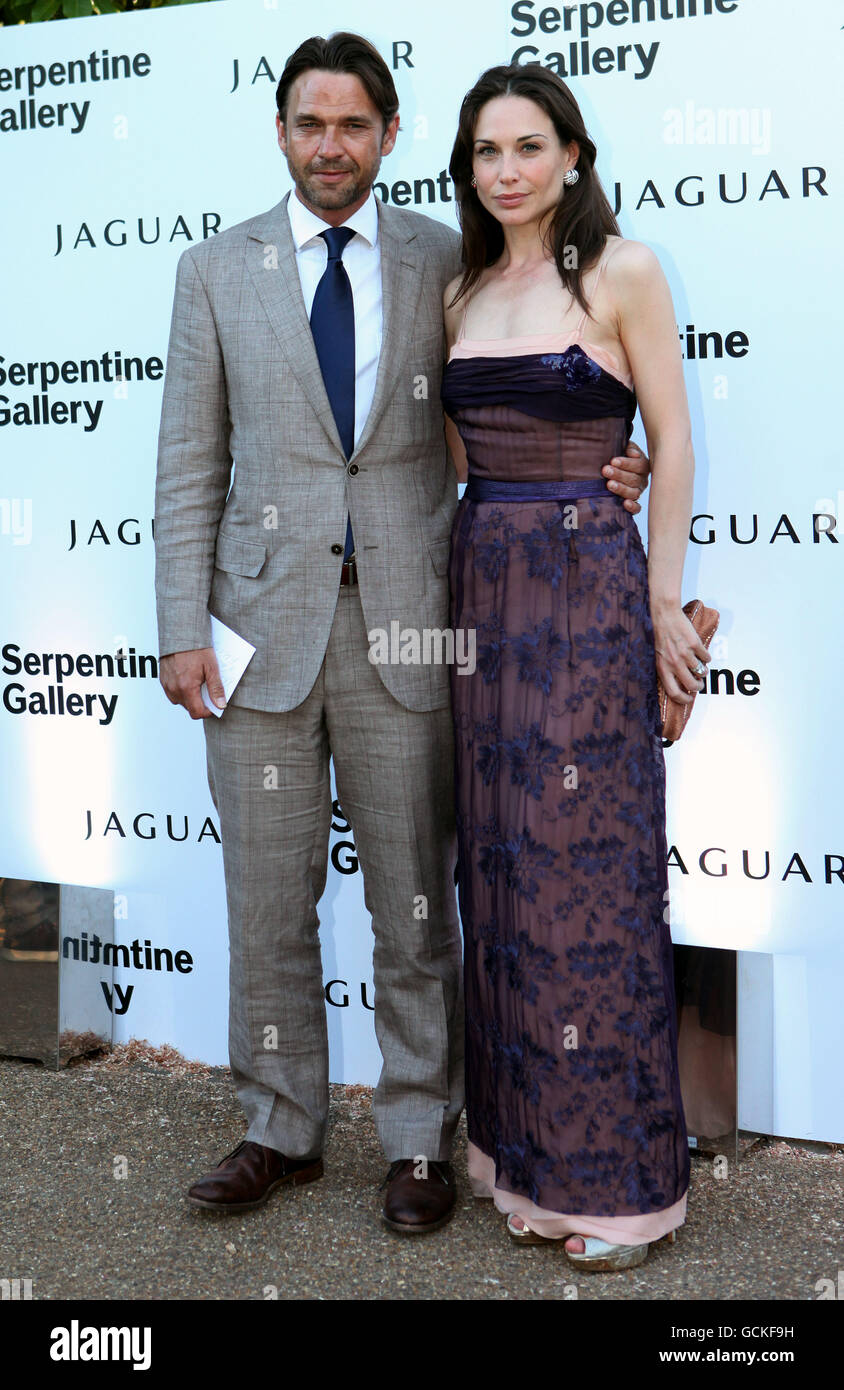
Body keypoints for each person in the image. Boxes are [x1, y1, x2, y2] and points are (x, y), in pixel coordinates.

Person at [154, 33, 650, 1235]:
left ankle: (422, 1139)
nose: (332, 145)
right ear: (281, 133)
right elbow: (186, 462)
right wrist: (179, 627)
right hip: (259, 634)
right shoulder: (215, 269)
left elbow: (509, 398)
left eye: (356, 124)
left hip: (416, 629)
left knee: (416, 907)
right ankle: (279, 1124)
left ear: (385, 134)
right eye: (310, 123)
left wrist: (606, 466)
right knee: (265, 903)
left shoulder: (448, 258)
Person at [441, 63, 709, 1269]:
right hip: (479, 591)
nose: (507, 170)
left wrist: (661, 606)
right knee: (500, 881)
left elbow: (673, 438)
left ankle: (616, 1188)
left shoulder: (623, 270)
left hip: (585, 591)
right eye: (486, 151)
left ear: (572, 155)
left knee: (584, 880)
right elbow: (462, 445)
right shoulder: (457, 287)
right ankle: (524, 1162)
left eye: (528, 147)